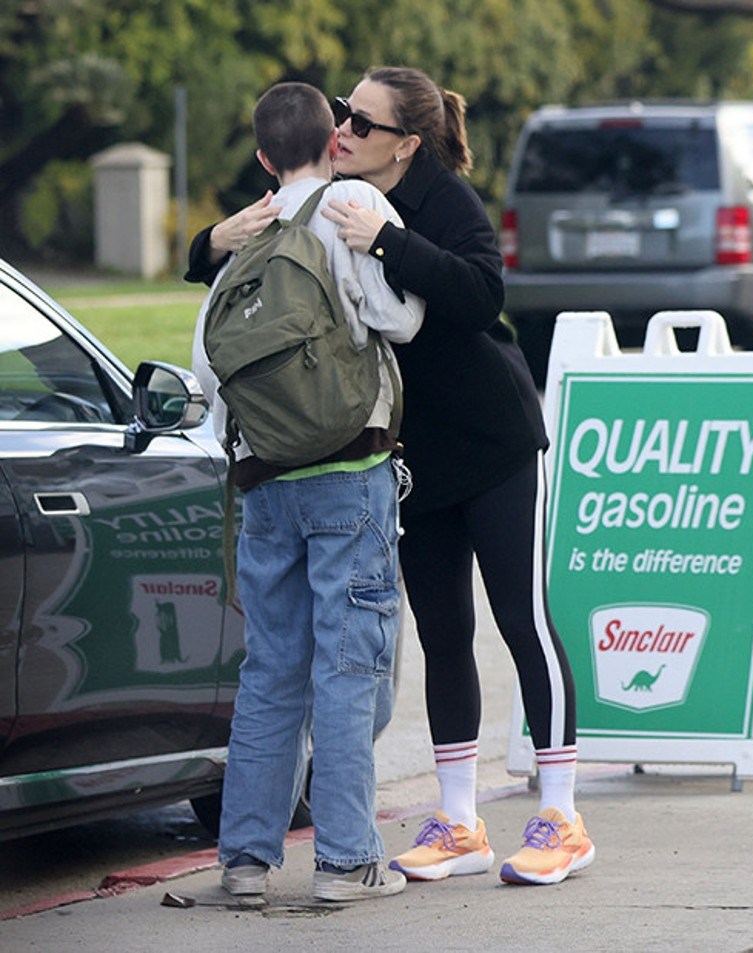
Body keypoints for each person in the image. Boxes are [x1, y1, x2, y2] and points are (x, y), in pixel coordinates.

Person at [187, 68, 594, 888]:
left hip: (496, 440)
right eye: (342, 116)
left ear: (407, 142)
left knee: (521, 620)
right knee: (442, 635)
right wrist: (208, 244)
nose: (342, 130)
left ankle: (561, 814)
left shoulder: (438, 199)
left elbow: (482, 296)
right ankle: (458, 821)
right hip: (415, 456)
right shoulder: (337, 184)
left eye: (362, 124)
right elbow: (264, 245)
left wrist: (386, 239)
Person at [189, 81, 424, 903]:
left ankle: (244, 865)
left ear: (261, 158)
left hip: (265, 488)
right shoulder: (352, 201)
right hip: (349, 476)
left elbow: (207, 375)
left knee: (270, 674)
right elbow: (401, 320)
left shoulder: (238, 243)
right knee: (349, 670)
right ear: (335, 141)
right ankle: (345, 861)